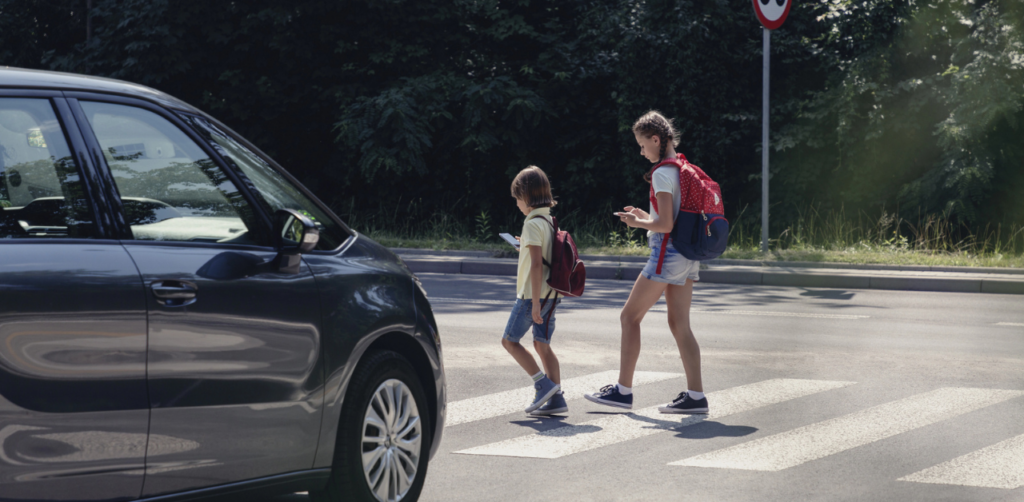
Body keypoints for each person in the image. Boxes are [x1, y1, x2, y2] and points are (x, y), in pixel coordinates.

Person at [585, 110, 708, 414]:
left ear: (656, 139)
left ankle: (622, 392)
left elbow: (665, 225)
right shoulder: (681, 166)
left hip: (667, 254)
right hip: (688, 254)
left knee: (629, 317)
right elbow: (671, 218)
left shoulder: (662, 173)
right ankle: (696, 397)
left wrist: (636, 223)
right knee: (680, 325)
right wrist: (645, 216)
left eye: (642, 145)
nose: (641, 151)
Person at [502, 166, 567, 416]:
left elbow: (538, 264)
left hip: (532, 296)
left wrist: (535, 305)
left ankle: (543, 384)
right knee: (542, 345)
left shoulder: (531, 224)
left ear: (526, 197)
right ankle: (557, 399)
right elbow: (543, 255)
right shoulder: (549, 220)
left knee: (509, 341)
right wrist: (524, 246)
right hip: (552, 294)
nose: (517, 204)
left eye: (517, 198)